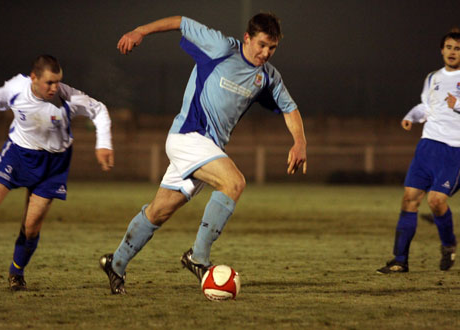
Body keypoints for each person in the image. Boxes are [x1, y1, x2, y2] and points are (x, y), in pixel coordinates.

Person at [99, 13, 307, 294]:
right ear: (247, 38)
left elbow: (289, 108)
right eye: (261, 45)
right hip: (188, 136)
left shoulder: (267, 76)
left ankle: (116, 263)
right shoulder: (220, 47)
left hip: (206, 149)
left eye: (272, 48)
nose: (265, 53)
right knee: (234, 183)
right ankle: (198, 257)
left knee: (158, 212)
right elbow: (181, 22)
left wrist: (299, 142)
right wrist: (140, 30)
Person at [0, 55, 114, 291]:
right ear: (34, 78)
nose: (55, 87)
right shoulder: (16, 88)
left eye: (58, 81)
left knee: (32, 227)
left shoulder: (68, 96)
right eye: (49, 82)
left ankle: (16, 274)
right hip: (18, 155)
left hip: (54, 165)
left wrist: (104, 143)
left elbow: (99, 110)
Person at [377, 30, 460, 274]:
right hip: (427, 145)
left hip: (454, 148)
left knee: (436, 201)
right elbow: (426, 107)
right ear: (441, 50)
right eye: (448, 47)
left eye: (457, 48)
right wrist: (411, 116)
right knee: (410, 198)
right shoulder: (432, 78)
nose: (452, 52)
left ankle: (448, 244)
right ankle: (400, 260)